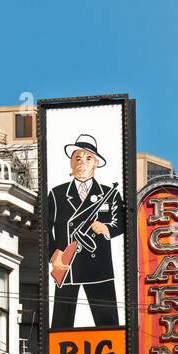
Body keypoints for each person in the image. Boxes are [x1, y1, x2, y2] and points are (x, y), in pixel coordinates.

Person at [47, 134, 125, 329]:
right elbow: (45, 227)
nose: (82, 163)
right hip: (67, 266)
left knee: (108, 327)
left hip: (99, 267)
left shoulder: (110, 193)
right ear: (71, 163)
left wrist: (106, 228)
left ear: (96, 163)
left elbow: (123, 222)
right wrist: (53, 254)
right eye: (78, 158)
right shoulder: (57, 194)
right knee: (60, 327)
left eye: (88, 158)